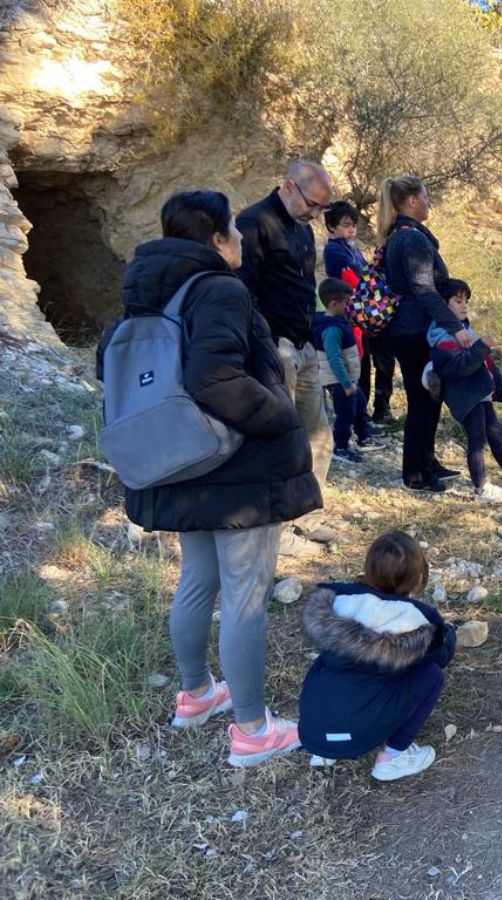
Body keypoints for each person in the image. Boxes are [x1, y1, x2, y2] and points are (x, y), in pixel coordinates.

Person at [98, 190, 321, 767]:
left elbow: (112, 369)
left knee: (197, 580)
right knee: (245, 596)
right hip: (235, 468)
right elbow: (215, 376)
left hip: (175, 460)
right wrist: (279, 418)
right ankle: (252, 730)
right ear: (217, 239)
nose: (243, 240)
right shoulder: (219, 288)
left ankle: (197, 693)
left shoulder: (141, 298)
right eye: (234, 233)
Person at [237, 160, 336, 555]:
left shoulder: (304, 230)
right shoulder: (253, 223)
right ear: (289, 186)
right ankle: (274, 528)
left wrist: (310, 337)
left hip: (304, 345)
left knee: (318, 435)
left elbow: (304, 287)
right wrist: (268, 342)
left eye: (320, 209)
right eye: (312, 204)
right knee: (281, 438)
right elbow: (244, 289)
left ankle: (306, 516)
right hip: (275, 347)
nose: (315, 214)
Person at [299, 530, 455, 781]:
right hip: (361, 730)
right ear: (418, 578)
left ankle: (327, 749)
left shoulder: (337, 603)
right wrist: (445, 631)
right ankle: (393, 756)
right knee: (430, 674)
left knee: (331, 663)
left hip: (313, 733)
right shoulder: (414, 620)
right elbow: (443, 654)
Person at [374, 175, 472, 493]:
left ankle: (427, 463)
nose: (429, 203)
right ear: (413, 201)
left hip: (411, 330)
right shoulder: (411, 238)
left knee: (431, 396)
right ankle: (415, 474)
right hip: (413, 331)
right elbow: (423, 289)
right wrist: (455, 328)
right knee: (422, 400)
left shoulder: (402, 235)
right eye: (426, 198)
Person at [428, 278, 502, 503]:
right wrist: (482, 346)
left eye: (466, 301)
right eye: (458, 301)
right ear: (444, 305)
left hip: (479, 392)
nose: (464, 306)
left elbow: (485, 361)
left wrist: (501, 384)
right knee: (477, 438)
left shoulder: (465, 329)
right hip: (465, 396)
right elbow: (459, 367)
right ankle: (481, 488)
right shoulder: (440, 337)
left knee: (496, 433)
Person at [323, 201, 394, 419]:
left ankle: (380, 409)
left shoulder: (351, 249)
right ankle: (359, 414)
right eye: (346, 224)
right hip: (350, 314)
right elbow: (360, 274)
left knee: (381, 360)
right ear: (331, 227)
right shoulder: (333, 250)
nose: (351, 229)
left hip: (364, 311)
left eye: (353, 225)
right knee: (358, 364)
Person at [314, 278, 377, 464]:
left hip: (348, 379)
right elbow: (334, 359)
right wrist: (346, 383)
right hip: (339, 380)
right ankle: (340, 446)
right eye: (347, 303)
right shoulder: (331, 329)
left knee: (360, 404)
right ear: (334, 304)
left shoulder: (338, 320)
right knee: (346, 413)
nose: (350, 307)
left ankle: (363, 437)